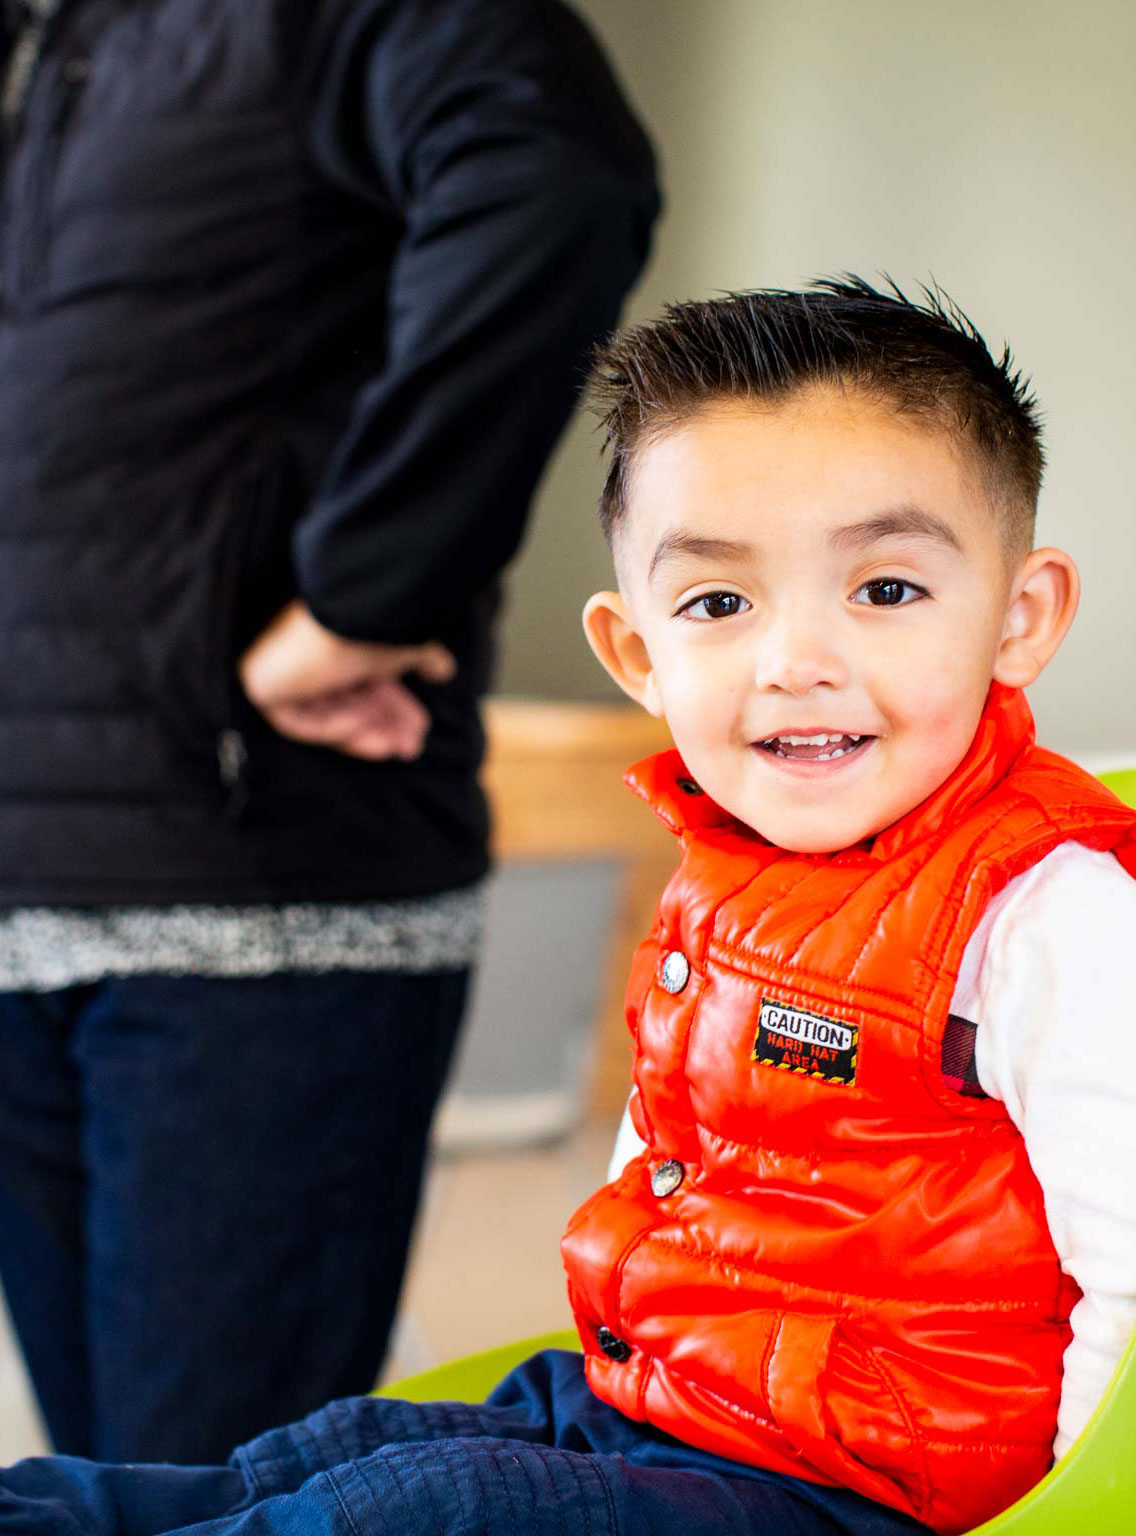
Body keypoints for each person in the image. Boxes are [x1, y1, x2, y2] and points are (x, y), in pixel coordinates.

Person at [1, 280, 1134, 1536]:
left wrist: (1062, 1517)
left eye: (884, 590)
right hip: (665, 1398)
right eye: (717, 603)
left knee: (425, 1513)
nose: (794, 660)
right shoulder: (729, 855)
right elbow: (668, 1138)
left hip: (864, 1486)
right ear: (637, 653)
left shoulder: (1047, 912)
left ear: (1017, 618)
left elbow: (1126, 1263)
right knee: (322, 1457)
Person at [0, 0, 658, 1464]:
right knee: (100, 1482)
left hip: (261, 890)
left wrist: (364, 590)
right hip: (27, 879)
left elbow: (552, 179)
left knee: (227, 1487)